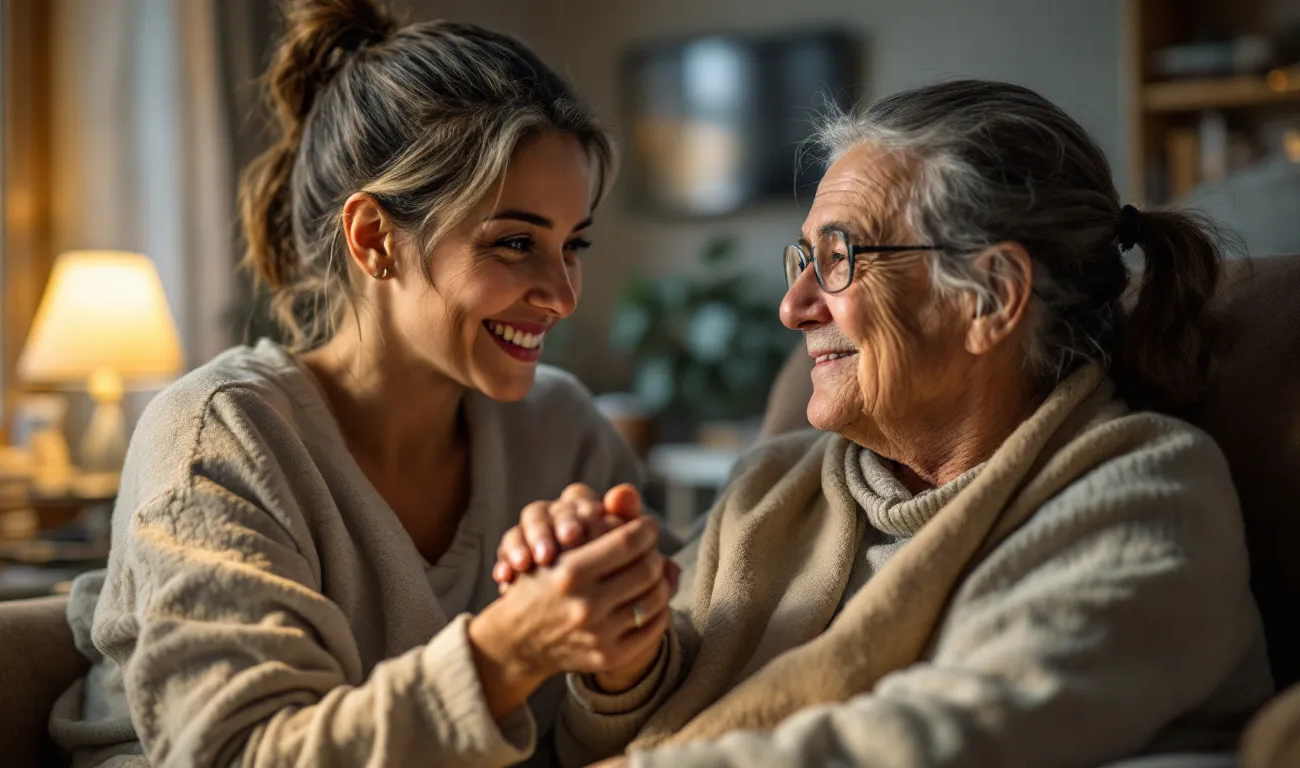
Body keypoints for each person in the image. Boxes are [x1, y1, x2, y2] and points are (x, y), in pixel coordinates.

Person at [496, 79, 1275, 767]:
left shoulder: (1147, 489)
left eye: (836, 259)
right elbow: (596, 736)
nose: (793, 308)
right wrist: (621, 654)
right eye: (800, 262)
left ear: (990, 296)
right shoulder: (773, 488)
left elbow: (951, 737)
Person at [47, 1, 675, 765]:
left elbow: (629, 733)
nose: (564, 294)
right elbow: (243, 752)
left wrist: (623, 656)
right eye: (516, 243)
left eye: (571, 245)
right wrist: (512, 651)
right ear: (375, 239)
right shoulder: (219, 437)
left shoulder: (563, 430)